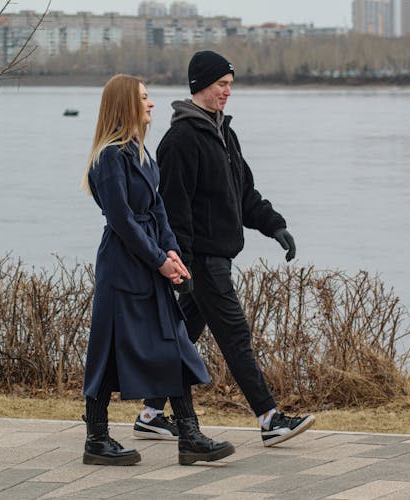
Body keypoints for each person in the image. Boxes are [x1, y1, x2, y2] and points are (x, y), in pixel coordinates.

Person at [132, 51, 315, 447]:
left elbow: (244, 194)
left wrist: (275, 225)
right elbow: (173, 212)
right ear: (201, 85)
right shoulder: (181, 140)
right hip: (201, 262)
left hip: (219, 257)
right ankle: (269, 419)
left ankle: (149, 415)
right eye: (222, 85)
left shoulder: (224, 134)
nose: (228, 92)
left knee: (181, 335)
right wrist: (179, 265)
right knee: (236, 335)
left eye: (230, 85)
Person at [80, 74, 234, 466]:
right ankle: (96, 439)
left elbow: (158, 210)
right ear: (124, 105)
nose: (151, 104)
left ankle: (190, 436)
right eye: (144, 98)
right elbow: (123, 221)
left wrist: (172, 251)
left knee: (174, 345)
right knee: (107, 351)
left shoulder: (141, 154)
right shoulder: (110, 156)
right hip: (123, 270)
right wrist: (159, 260)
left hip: (150, 263)